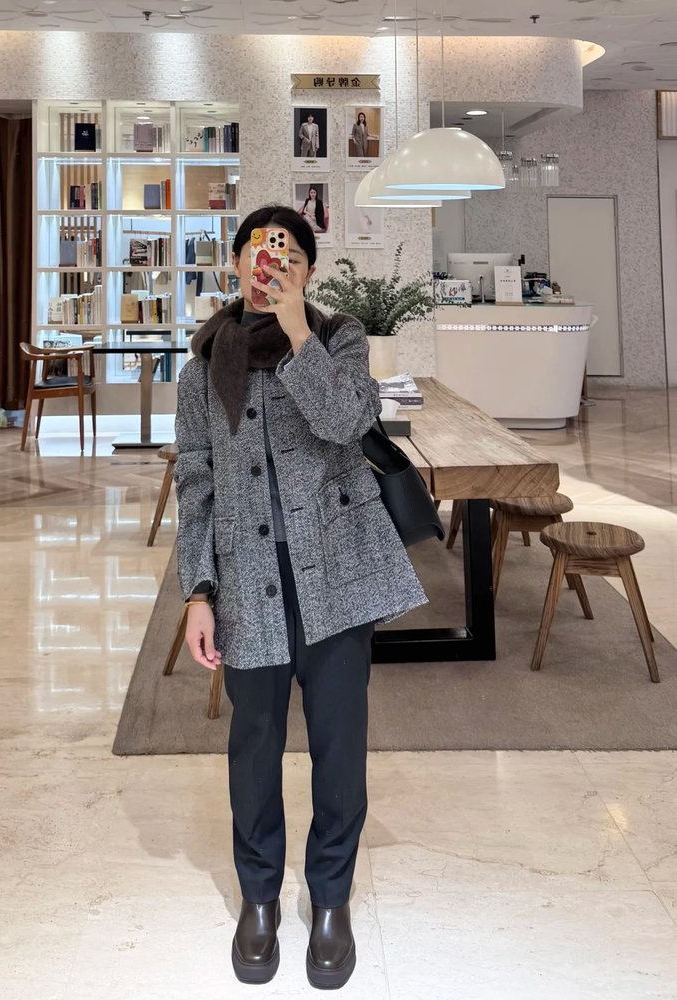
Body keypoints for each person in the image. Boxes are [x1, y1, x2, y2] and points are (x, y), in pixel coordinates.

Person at [174, 204, 427, 990]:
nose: (269, 267)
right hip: (246, 584)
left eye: (285, 257)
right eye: (257, 253)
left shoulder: (338, 339)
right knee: (253, 746)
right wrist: (197, 593)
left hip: (339, 580)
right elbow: (196, 484)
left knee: (338, 746)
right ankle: (258, 897)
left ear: (307, 270)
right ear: (235, 265)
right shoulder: (200, 369)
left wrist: (294, 331)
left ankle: (330, 900)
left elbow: (347, 420)